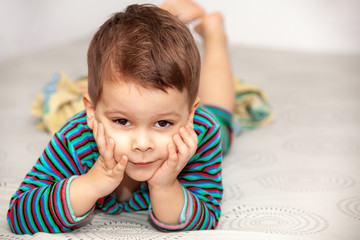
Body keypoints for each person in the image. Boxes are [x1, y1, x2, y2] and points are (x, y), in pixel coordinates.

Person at [7, 0, 235, 234]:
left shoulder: (200, 132)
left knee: (223, 122)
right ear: (91, 112)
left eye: (163, 123)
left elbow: (206, 218)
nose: (143, 144)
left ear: (190, 116)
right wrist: (91, 183)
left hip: (195, 121)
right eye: (122, 121)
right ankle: (168, 14)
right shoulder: (77, 140)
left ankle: (214, 33)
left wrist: (165, 186)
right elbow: (18, 216)